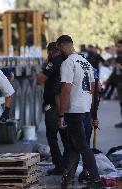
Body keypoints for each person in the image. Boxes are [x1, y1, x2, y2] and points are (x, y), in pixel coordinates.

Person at [56, 35, 104, 188]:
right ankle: (67, 180)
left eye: (59, 49)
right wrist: (92, 113)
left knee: (82, 146)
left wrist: (61, 115)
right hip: (85, 108)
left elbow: (66, 90)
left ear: (62, 46)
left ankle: (96, 180)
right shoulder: (86, 63)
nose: (60, 52)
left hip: (74, 110)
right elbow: (93, 89)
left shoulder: (68, 63)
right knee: (73, 146)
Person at [36, 42, 67, 175]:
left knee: (52, 136)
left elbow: (40, 79)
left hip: (52, 105)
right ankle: (68, 164)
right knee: (66, 137)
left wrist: (45, 64)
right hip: (66, 104)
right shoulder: (67, 61)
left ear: (49, 52)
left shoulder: (52, 62)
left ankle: (59, 166)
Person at [112, 40, 122, 128]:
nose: (117, 48)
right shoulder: (118, 56)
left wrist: (120, 67)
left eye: (119, 46)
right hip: (119, 82)